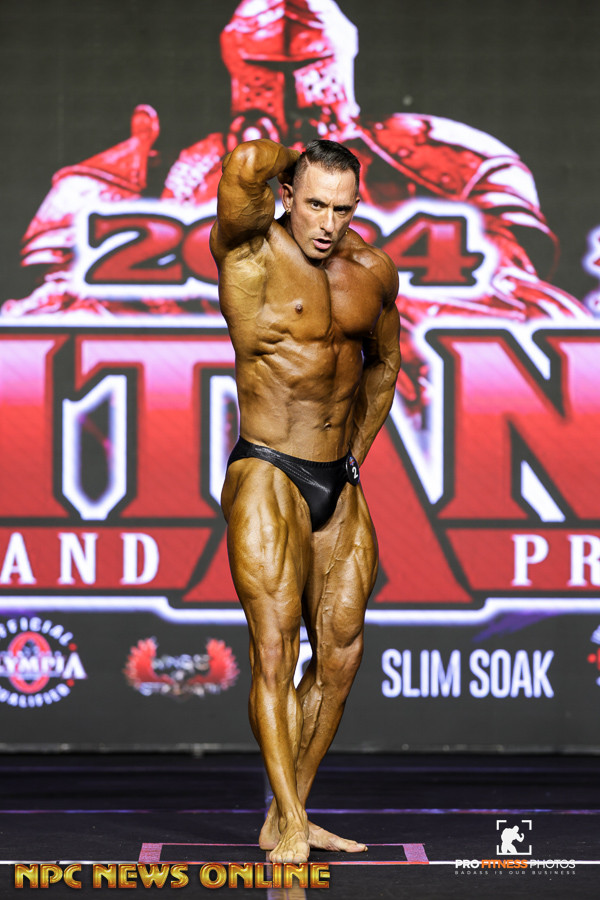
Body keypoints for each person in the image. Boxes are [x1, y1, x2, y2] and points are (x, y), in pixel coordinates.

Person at [210, 137, 401, 865]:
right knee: (275, 650)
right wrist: (294, 156)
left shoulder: (372, 271)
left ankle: (289, 810)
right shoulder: (248, 253)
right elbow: (243, 168)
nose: (327, 222)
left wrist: (356, 455)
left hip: (336, 478)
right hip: (267, 467)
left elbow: (385, 362)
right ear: (288, 194)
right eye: (315, 203)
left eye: (342, 208)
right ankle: (290, 819)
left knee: (342, 654)